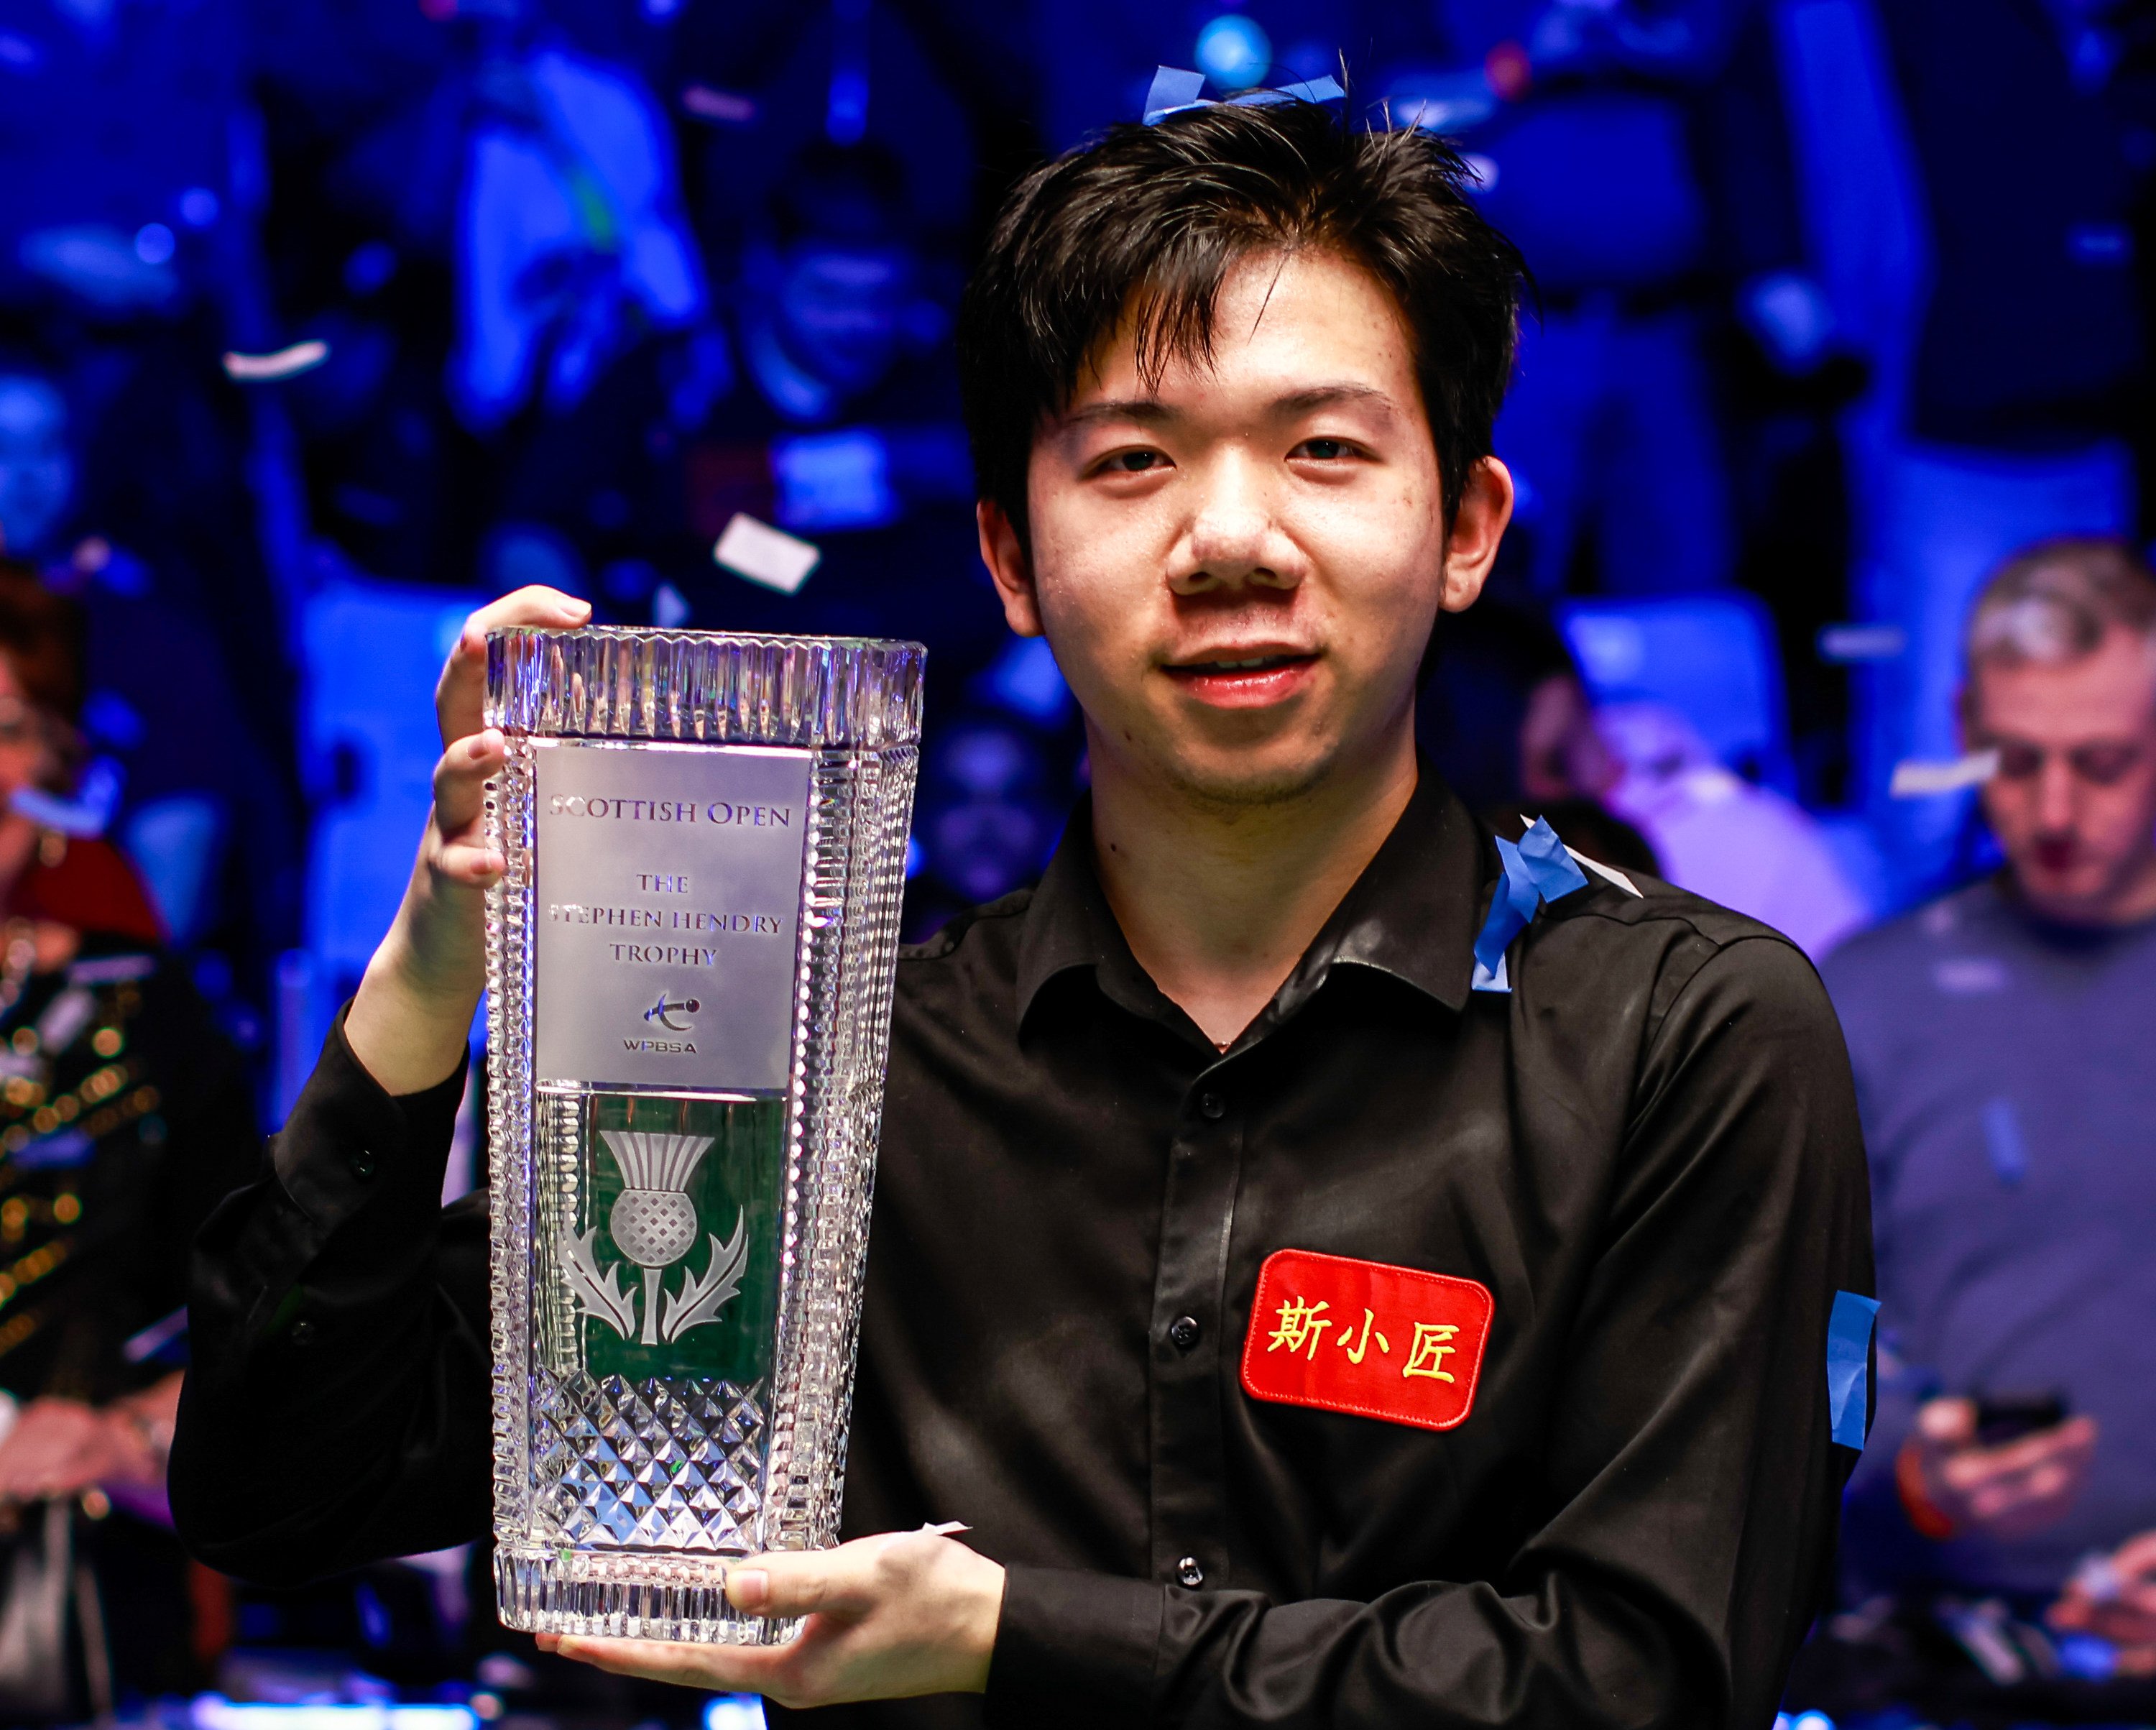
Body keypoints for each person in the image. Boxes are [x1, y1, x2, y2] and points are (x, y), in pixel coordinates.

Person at [172, 99, 1872, 1726]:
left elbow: (1654, 1679)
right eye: (1132, 460)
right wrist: (427, 974)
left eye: (1325, 450)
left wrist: (1009, 1642)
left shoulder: (1686, 1039)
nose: (1230, 537)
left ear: (1465, 528)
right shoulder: (850, 1073)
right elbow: (278, 1484)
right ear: (1009, 556)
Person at [1817, 538, 2156, 1704]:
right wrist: (1908, 1470)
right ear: (1963, 727)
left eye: (2104, 764)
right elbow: (1779, 1337)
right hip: (1935, 1652)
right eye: (2015, 762)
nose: (2054, 810)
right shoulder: (1861, 1004)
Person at [0, 564, 258, 1712]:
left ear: (62, 761)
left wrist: (113, 1442)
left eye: (7, 730)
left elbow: (264, 1330)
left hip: (69, 1601)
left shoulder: (153, 1021)